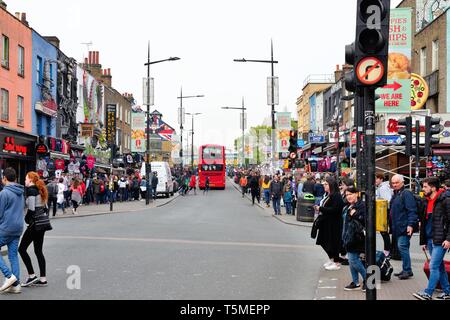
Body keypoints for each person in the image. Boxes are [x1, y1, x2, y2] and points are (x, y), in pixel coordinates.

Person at [413, 177, 450, 300]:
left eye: (425, 187)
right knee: (440, 267)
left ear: (433, 188)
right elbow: (424, 223)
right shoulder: (426, 201)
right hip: (430, 239)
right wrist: (423, 241)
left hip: (440, 240)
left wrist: (448, 239)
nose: (423, 189)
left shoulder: (445, 200)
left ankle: (428, 293)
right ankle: (447, 292)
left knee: (433, 266)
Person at [19, 172, 49, 288]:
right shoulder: (40, 190)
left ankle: (32, 276)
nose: (25, 181)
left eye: (26, 178)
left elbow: (31, 209)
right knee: (38, 251)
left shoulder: (31, 190)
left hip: (34, 225)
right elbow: (45, 208)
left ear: (31, 179)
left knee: (21, 249)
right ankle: (43, 279)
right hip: (42, 225)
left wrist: (26, 219)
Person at [0, 168, 25, 293]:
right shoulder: (20, 192)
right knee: (13, 255)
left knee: (12, 255)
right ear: (15, 178)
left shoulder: (4, 193)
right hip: (18, 227)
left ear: (4, 178)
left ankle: (9, 276)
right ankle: (16, 285)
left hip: (6, 228)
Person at [390, 174, 418, 280]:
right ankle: (405, 269)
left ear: (402, 182)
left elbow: (412, 210)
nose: (395, 185)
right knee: (402, 247)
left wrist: (410, 225)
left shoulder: (406, 194)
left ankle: (407, 270)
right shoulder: (396, 194)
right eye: (393, 183)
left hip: (404, 226)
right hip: (398, 226)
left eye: (397, 182)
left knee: (402, 246)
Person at [314, 177, 345, 271]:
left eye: (326, 184)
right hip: (326, 222)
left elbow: (335, 210)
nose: (324, 185)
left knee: (333, 242)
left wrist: (320, 208)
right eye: (324, 184)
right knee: (323, 241)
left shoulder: (336, 195)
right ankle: (331, 259)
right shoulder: (328, 195)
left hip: (334, 223)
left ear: (331, 185)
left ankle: (336, 262)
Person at [342, 186, 367, 292]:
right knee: (351, 260)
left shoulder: (362, 205)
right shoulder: (348, 206)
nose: (348, 197)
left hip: (357, 237)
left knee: (353, 259)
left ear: (357, 193)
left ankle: (369, 279)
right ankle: (355, 282)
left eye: (350, 194)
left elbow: (366, 220)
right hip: (348, 236)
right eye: (347, 195)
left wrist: (356, 214)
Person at [376, 173, 393, 258]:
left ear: (381, 179)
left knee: (384, 232)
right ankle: (388, 249)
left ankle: (387, 250)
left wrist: (378, 200)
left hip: (383, 210)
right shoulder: (381, 187)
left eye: (376, 179)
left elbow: (388, 200)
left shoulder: (383, 188)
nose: (375, 181)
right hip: (382, 210)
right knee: (383, 231)